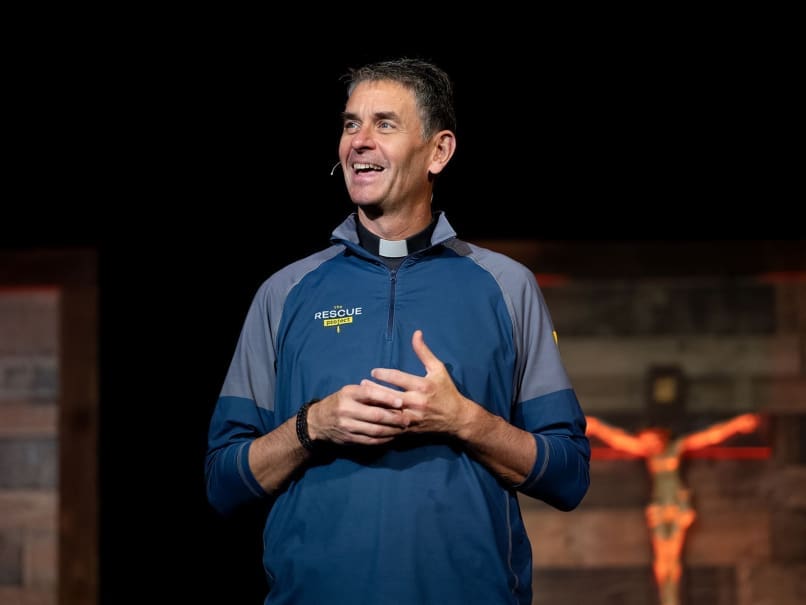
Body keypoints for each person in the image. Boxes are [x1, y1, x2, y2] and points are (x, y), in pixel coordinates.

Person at [204, 57, 591, 605]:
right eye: (349, 124)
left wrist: (466, 421)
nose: (359, 141)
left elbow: (569, 475)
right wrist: (312, 425)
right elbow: (223, 482)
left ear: (439, 151)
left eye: (384, 124)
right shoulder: (284, 292)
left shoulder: (507, 286)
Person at [585, 412, 761, 605]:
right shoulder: (649, 453)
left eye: (650, 439)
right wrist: (596, 427)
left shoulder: (675, 448)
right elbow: (619, 440)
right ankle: (666, 598)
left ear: (659, 436)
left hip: (677, 504)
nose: (648, 444)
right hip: (660, 506)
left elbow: (710, 436)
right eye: (645, 441)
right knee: (662, 559)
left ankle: (672, 599)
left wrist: (736, 424)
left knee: (673, 557)